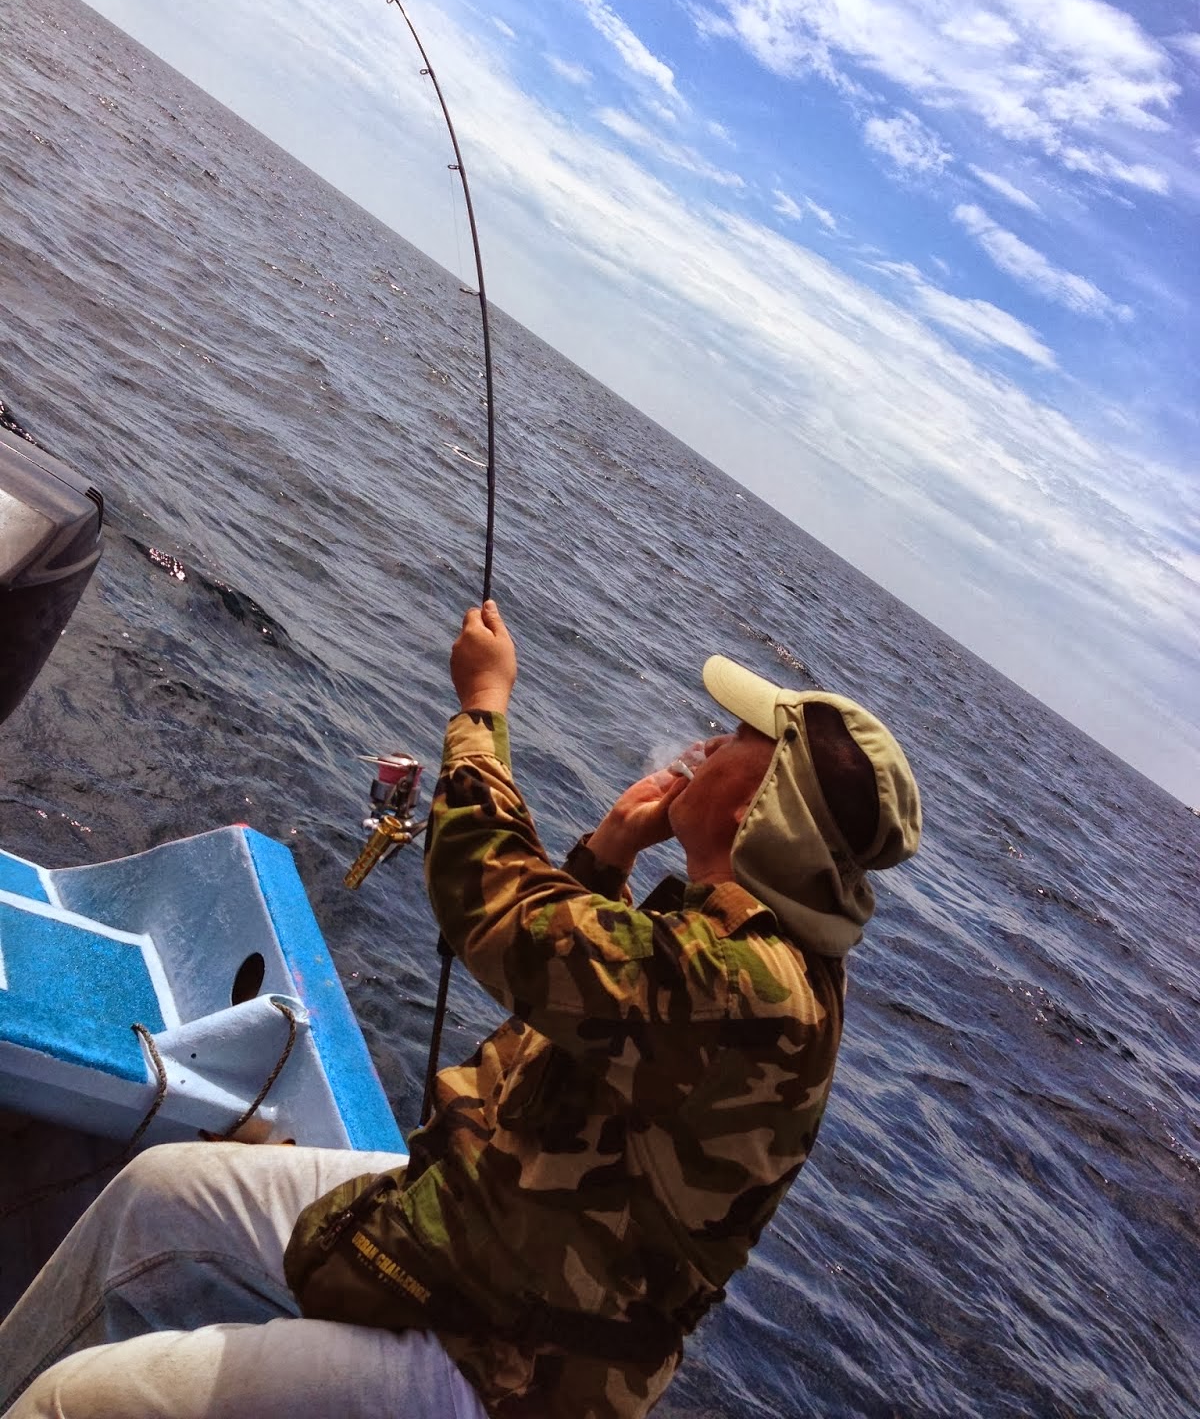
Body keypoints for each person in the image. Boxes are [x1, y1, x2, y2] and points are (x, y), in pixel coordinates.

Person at [0, 600, 920, 1419]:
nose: (710, 741)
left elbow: (489, 902)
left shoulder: (754, 990)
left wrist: (481, 711)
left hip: (510, 1363)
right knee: (157, 1195)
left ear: (765, 804)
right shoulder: (725, 937)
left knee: (75, 1405)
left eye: (735, 738)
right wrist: (604, 853)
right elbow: (550, 1012)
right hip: (475, 1240)